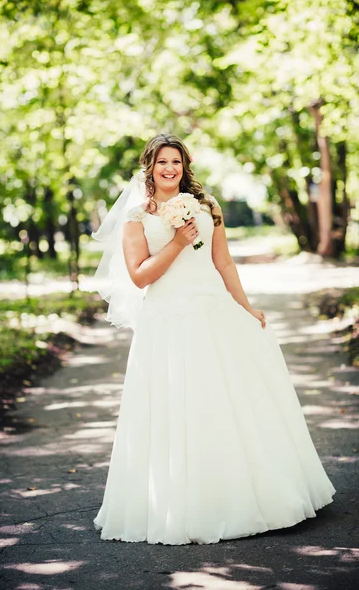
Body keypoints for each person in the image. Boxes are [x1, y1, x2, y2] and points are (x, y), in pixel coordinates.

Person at [92, 133, 336, 545]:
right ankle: (180, 505)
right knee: (176, 406)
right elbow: (139, 276)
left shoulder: (208, 206)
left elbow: (222, 261)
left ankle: (250, 496)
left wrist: (245, 305)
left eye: (176, 162)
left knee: (228, 399)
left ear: (185, 166)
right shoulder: (136, 217)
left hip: (212, 309)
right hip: (166, 320)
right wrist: (176, 242)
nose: (169, 169)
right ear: (149, 167)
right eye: (161, 162)